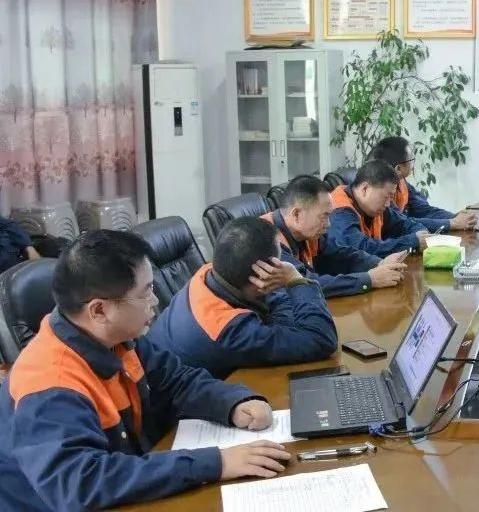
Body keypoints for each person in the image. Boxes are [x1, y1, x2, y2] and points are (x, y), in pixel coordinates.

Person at [0, 230, 292, 511]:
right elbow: (81, 483)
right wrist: (216, 463)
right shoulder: (49, 384)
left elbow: (175, 380)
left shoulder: (115, 337)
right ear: (99, 310)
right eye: (146, 292)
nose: (154, 301)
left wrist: (233, 403)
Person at [147, 216, 338, 379]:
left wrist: (281, 322)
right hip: (175, 408)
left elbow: (277, 300)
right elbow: (322, 339)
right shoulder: (229, 331)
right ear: (261, 276)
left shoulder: (209, 272)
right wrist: (295, 280)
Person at [262, 175, 406, 297]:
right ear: (297, 214)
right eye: (323, 216)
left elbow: (340, 253)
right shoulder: (268, 242)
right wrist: (370, 279)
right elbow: (303, 282)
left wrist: (379, 263)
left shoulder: (307, 232)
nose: (328, 224)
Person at [368, 136, 478, 232]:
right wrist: (452, 223)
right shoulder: (379, 192)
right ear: (398, 168)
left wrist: (454, 217)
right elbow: (402, 223)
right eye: (411, 160)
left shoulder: (401, 183)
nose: (413, 166)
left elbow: (423, 209)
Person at [327, 160, 433, 258]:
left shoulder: (375, 207)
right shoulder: (339, 211)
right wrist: (413, 242)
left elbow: (403, 224)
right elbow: (360, 249)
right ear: (365, 189)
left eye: (391, 197)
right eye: (386, 196)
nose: (388, 204)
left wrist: (421, 233)